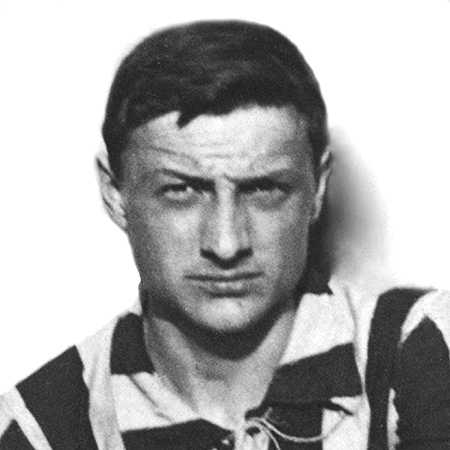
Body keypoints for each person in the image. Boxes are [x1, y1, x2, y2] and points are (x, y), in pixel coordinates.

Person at [1, 19, 449, 450]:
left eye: (264, 189)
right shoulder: (40, 430)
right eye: (181, 191)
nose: (226, 244)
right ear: (114, 192)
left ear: (317, 187)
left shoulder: (422, 349)